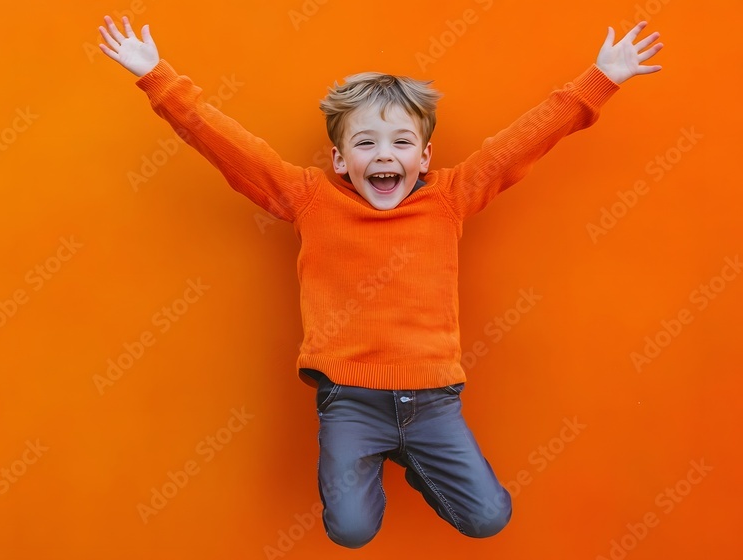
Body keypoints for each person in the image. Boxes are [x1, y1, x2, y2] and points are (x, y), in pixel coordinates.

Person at [98, 14, 662, 547]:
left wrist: (601, 80)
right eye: (365, 144)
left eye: (399, 143)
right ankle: (375, 458)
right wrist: (157, 77)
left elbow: (523, 142)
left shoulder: (450, 197)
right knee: (350, 531)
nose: (383, 155)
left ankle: (416, 458)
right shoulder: (309, 198)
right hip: (349, 401)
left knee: (489, 519)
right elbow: (224, 142)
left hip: (434, 401)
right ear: (341, 160)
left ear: (425, 154)